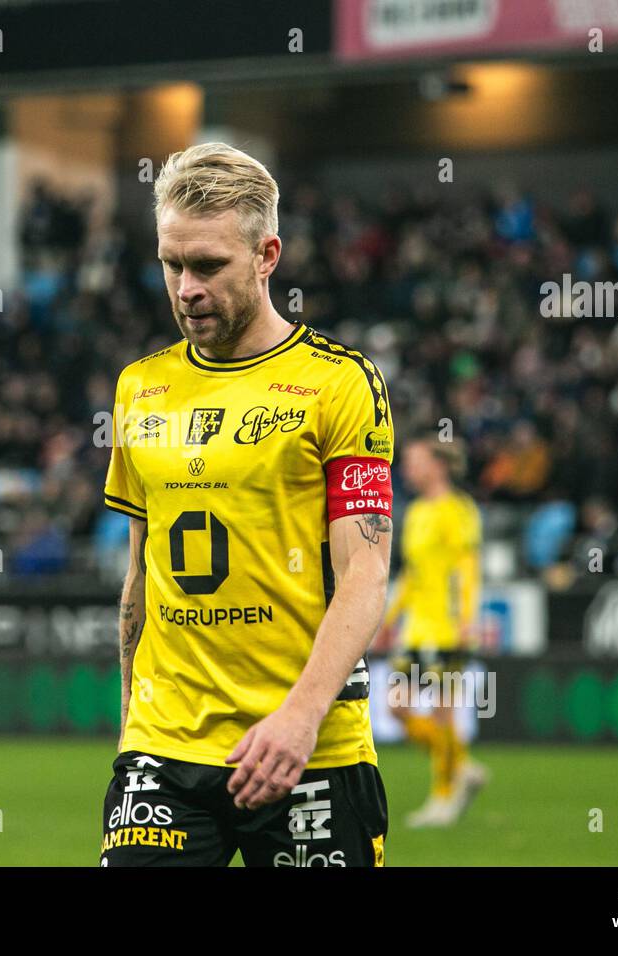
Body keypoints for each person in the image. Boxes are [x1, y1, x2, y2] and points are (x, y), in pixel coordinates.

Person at [100, 143, 395, 866]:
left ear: (267, 255)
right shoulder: (140, 386)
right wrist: (130, 730)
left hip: (309, 748)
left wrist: (299, 719)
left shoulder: (340, 383)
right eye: (172, 265)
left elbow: (365, 572)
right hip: (165, 746)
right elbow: (139, 580)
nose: (186, 288)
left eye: (208, 266)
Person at [378, 436, 488, 827]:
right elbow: (410, 573)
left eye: (414, 460)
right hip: (416, 629)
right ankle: (462, 767)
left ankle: (443, 798)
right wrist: (390, 619)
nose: (407, 468)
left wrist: (466, 619)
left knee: (443, 715)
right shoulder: (416, 511)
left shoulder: (458, 510)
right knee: (397, 706)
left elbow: (467, 567)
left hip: (446, 628)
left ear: (438, 465)